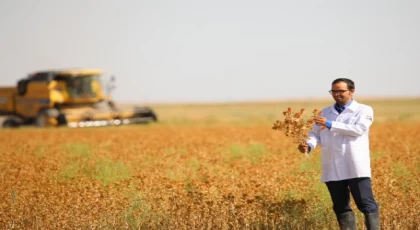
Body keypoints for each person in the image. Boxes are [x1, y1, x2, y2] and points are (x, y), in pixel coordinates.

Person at [298, 78, 379, 230]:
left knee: (366, 204)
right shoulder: (324, 112)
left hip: (355, 165)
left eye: (341, 91)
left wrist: (329, 124)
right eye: (333, 91)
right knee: (340, 206)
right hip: (332, 165)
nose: (336, 94)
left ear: (351, 91)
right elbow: (315, 134)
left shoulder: (364, 110)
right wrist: (308, 145)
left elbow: (359, 129)